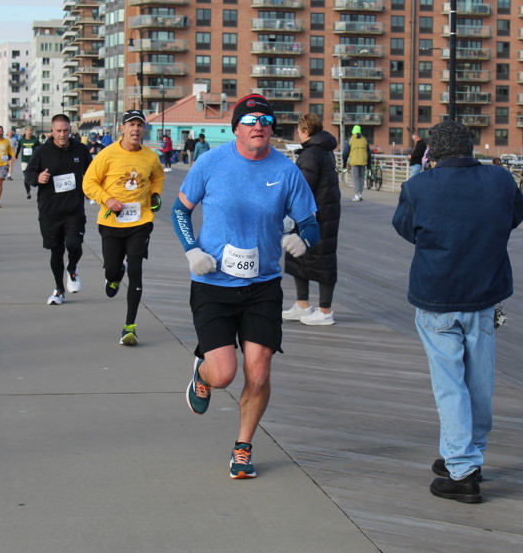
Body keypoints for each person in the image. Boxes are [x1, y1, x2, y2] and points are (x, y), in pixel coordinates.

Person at [174, 94, 318, 479]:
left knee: (259, 373)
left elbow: (310, 222)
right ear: (236, 127)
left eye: (266, 121)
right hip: (213, 283)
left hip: (263, 286)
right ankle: (203, 374)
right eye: (251, 120)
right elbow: (180, 210)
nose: (259, 126)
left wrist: (304, 239)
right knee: (224, 374)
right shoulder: (211, 162)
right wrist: (192, 250)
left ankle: (243, 446)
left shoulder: (285, 170)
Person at [392, 120, 523, 504]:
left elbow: (406, 229)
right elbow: (515, 216)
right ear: (469, 148)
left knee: (449, 383)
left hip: (436, 295)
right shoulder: (499, 180)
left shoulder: (418, 187)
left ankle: (463, 468)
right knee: (480, 381)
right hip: (484, 294)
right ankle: (467, 453)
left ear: (433, 153)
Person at [82, 109, 165, 345]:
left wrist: (155, 194)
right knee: (112, 268)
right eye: (131, 124)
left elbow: (157, 178)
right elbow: (89, 183)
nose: (136, 129)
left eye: (139, 125)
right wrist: (107, 199)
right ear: (122, 128)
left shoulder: (151, 157)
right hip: (111, 220)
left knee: (136, 270)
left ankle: (130, 327)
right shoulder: (107, 154)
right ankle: (114, 276)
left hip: (141, 221)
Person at [281, 113, 341, 326]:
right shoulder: (323, 150)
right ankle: (303, 305)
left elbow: (303, 187)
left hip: (316, 214)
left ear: (305, 132)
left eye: (299, 130)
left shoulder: (310, 154)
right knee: (299, 256)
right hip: (325, 210)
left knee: (322, 259)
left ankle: (325, 311)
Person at [26, 114, 92, 306]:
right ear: (52, 131)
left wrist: (92, 190)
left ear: (70, 130)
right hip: (50, 211)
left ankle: (72, 267)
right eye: (59, 131)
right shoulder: (42, 151)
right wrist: (38, 178)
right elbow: (29, 173)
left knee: (74, 244)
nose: (62, 134)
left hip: (74, 210)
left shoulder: (80, 149)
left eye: (66, 130)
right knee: (56, 251)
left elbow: (92, 173)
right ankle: (59, 289)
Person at [342, 124, 371, 202]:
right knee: (361, 177)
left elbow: (345, 153)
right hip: (363, 161)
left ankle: (357, 194)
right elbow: (369, 153)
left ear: (353, 131)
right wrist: (369, 164)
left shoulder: (350, 140)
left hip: (354, 162)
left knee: (355, 178)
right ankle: (360, 193)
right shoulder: (364, 140)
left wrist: (344, 163)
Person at [17, 126, 40, 200]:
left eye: (30, 131)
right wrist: (15, 156)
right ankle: (28, 192)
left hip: (33, 161)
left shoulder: (35, 140)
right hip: (24, 161)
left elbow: (40, 148)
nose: (29, 132)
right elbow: (18, 149)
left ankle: (35, 185)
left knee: (34, 176)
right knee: (26, 177)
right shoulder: (21, 140)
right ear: (25, 132)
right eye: (27, 130)